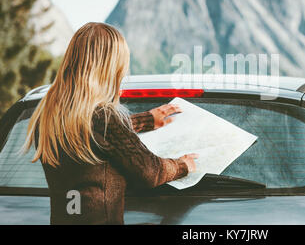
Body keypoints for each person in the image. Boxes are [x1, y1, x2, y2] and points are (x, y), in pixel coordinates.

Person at [22, 22, 198, 224]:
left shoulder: (48, 116)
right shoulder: (104, 118)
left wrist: (145, 120)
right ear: (110, 68)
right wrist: (182, 165)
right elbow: (151, 171)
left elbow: (90, 133)